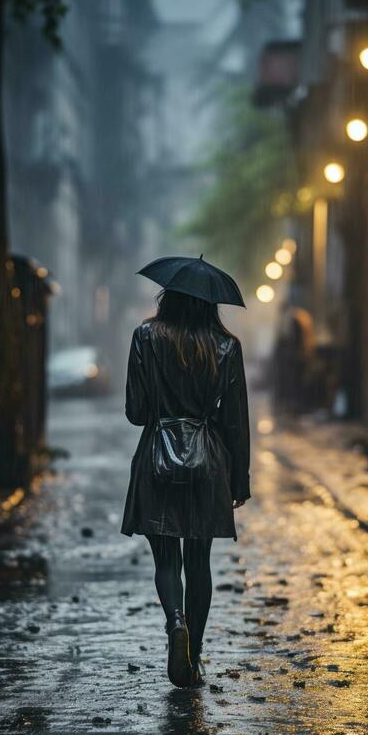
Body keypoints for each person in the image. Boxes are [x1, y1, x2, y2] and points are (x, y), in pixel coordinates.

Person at [121, 288, 250, 688]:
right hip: (207, 463)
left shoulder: (146, 337)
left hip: (156, 461)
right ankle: (192, 656)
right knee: (199, 562)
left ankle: (175, 623)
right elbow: (235, 421)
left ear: (168, 296)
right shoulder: (227, 346)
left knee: (166, 561)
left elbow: (136, 412)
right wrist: (239, 476)